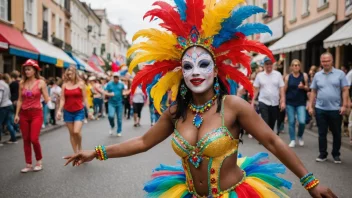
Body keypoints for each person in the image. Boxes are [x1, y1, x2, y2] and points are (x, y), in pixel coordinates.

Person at [64, 1, 336, 198]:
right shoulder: (176, 112)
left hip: (233, 193)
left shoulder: (233, 106)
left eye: (203, 64)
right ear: (180, 72)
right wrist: (96, 152)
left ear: (216, 70)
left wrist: (310, 182)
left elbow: (273, 141)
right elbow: (143, 141)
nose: (195, 72)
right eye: (188, 66)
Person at [308, 52, 349, 164]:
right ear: (321, 62)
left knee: (336, 133)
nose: (325, 63)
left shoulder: (340, 74)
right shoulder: (317, 75)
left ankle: (336, 154)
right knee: (322, 133)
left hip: (336, 109)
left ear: (332, 61)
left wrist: (344, 105)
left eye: (327, 61)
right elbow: (313, 91)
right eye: (323, 61)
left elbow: (345, 90)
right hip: (320, 108)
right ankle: (323, 154)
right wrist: (311, 106)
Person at [14, 59, 50, 173]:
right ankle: (28, 164)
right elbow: (20, 100)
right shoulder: (22, 83)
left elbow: (46, 97)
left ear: (35, 70)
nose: (26, 71)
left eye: (29, 69)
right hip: (24, 114)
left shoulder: (41, 82)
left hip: (36, 113)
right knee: (26, 139)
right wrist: (17, 114)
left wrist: (50, 105)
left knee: (34, 139)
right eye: (25, 69)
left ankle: (39, 161)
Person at [57, 66, 91, 153]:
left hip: (79, 111)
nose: (69, 75)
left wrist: (89, 111)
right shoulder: (64, 85)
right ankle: (76, 153)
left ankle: (80, 148)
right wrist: (59, 110)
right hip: (67, 112)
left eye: (71, 73)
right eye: (68, 74)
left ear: (75, 74)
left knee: (76, 132)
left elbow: (85, 98)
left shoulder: (81, 84)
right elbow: (62, 99)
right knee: (71, 133)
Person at [252, 57, 286, 131]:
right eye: (267, 64)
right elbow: (256, 90)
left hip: (274, 103)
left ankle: (267, 137)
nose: (269, 65)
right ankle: (264, 139)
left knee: (272, 123)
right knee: (265, 121)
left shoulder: (278, 75)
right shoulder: (259, 75)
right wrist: (252, 102)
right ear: (264, 65)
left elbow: (281, 88)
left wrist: (283, 101)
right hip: (263, 101)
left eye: (270, 63)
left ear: (272, 64)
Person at [284, 59, 309, 147]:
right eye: (294, 65)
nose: (296, 66)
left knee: (302, 121)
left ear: (300, 66)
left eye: (298, 65)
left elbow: (308, 89)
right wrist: (282, 100)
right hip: (290, 102)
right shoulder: (288, 77)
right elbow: (284, 89)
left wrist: (303, 87)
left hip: (301, 102)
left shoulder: (304, 75)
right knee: (291, 122)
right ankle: (292, 140)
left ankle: (300, 135)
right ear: (291, 67)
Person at [0, 74, 17, 144]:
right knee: (8, 123)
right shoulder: (6, 84)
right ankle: (13, 138)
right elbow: (9, 95)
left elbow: (0, 96)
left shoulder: (0, 84)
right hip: (9, 104)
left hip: (3, 106)